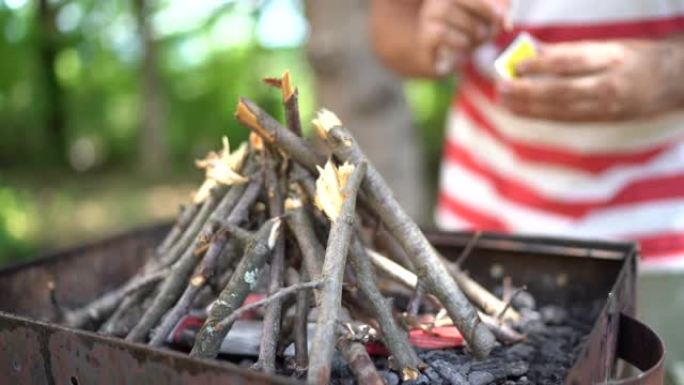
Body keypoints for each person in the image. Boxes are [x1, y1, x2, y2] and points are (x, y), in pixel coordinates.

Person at [370, 0, 684, 377]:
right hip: (482, 230)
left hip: (665, 236)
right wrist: (428, 34)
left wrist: (672, 71)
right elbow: (391, 25)